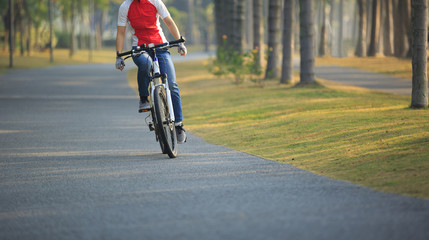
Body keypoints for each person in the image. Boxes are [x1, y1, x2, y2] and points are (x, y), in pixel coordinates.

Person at [115, 0, 187, 143]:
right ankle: (143, 98)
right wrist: (119, 55)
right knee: (146, 63)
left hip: (160, 46)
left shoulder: (155, 2)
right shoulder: (125, 6)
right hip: (140, 48)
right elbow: (121, 32)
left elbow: (169, 22)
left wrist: (179, 42)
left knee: (172, 84)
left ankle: (178, 125)